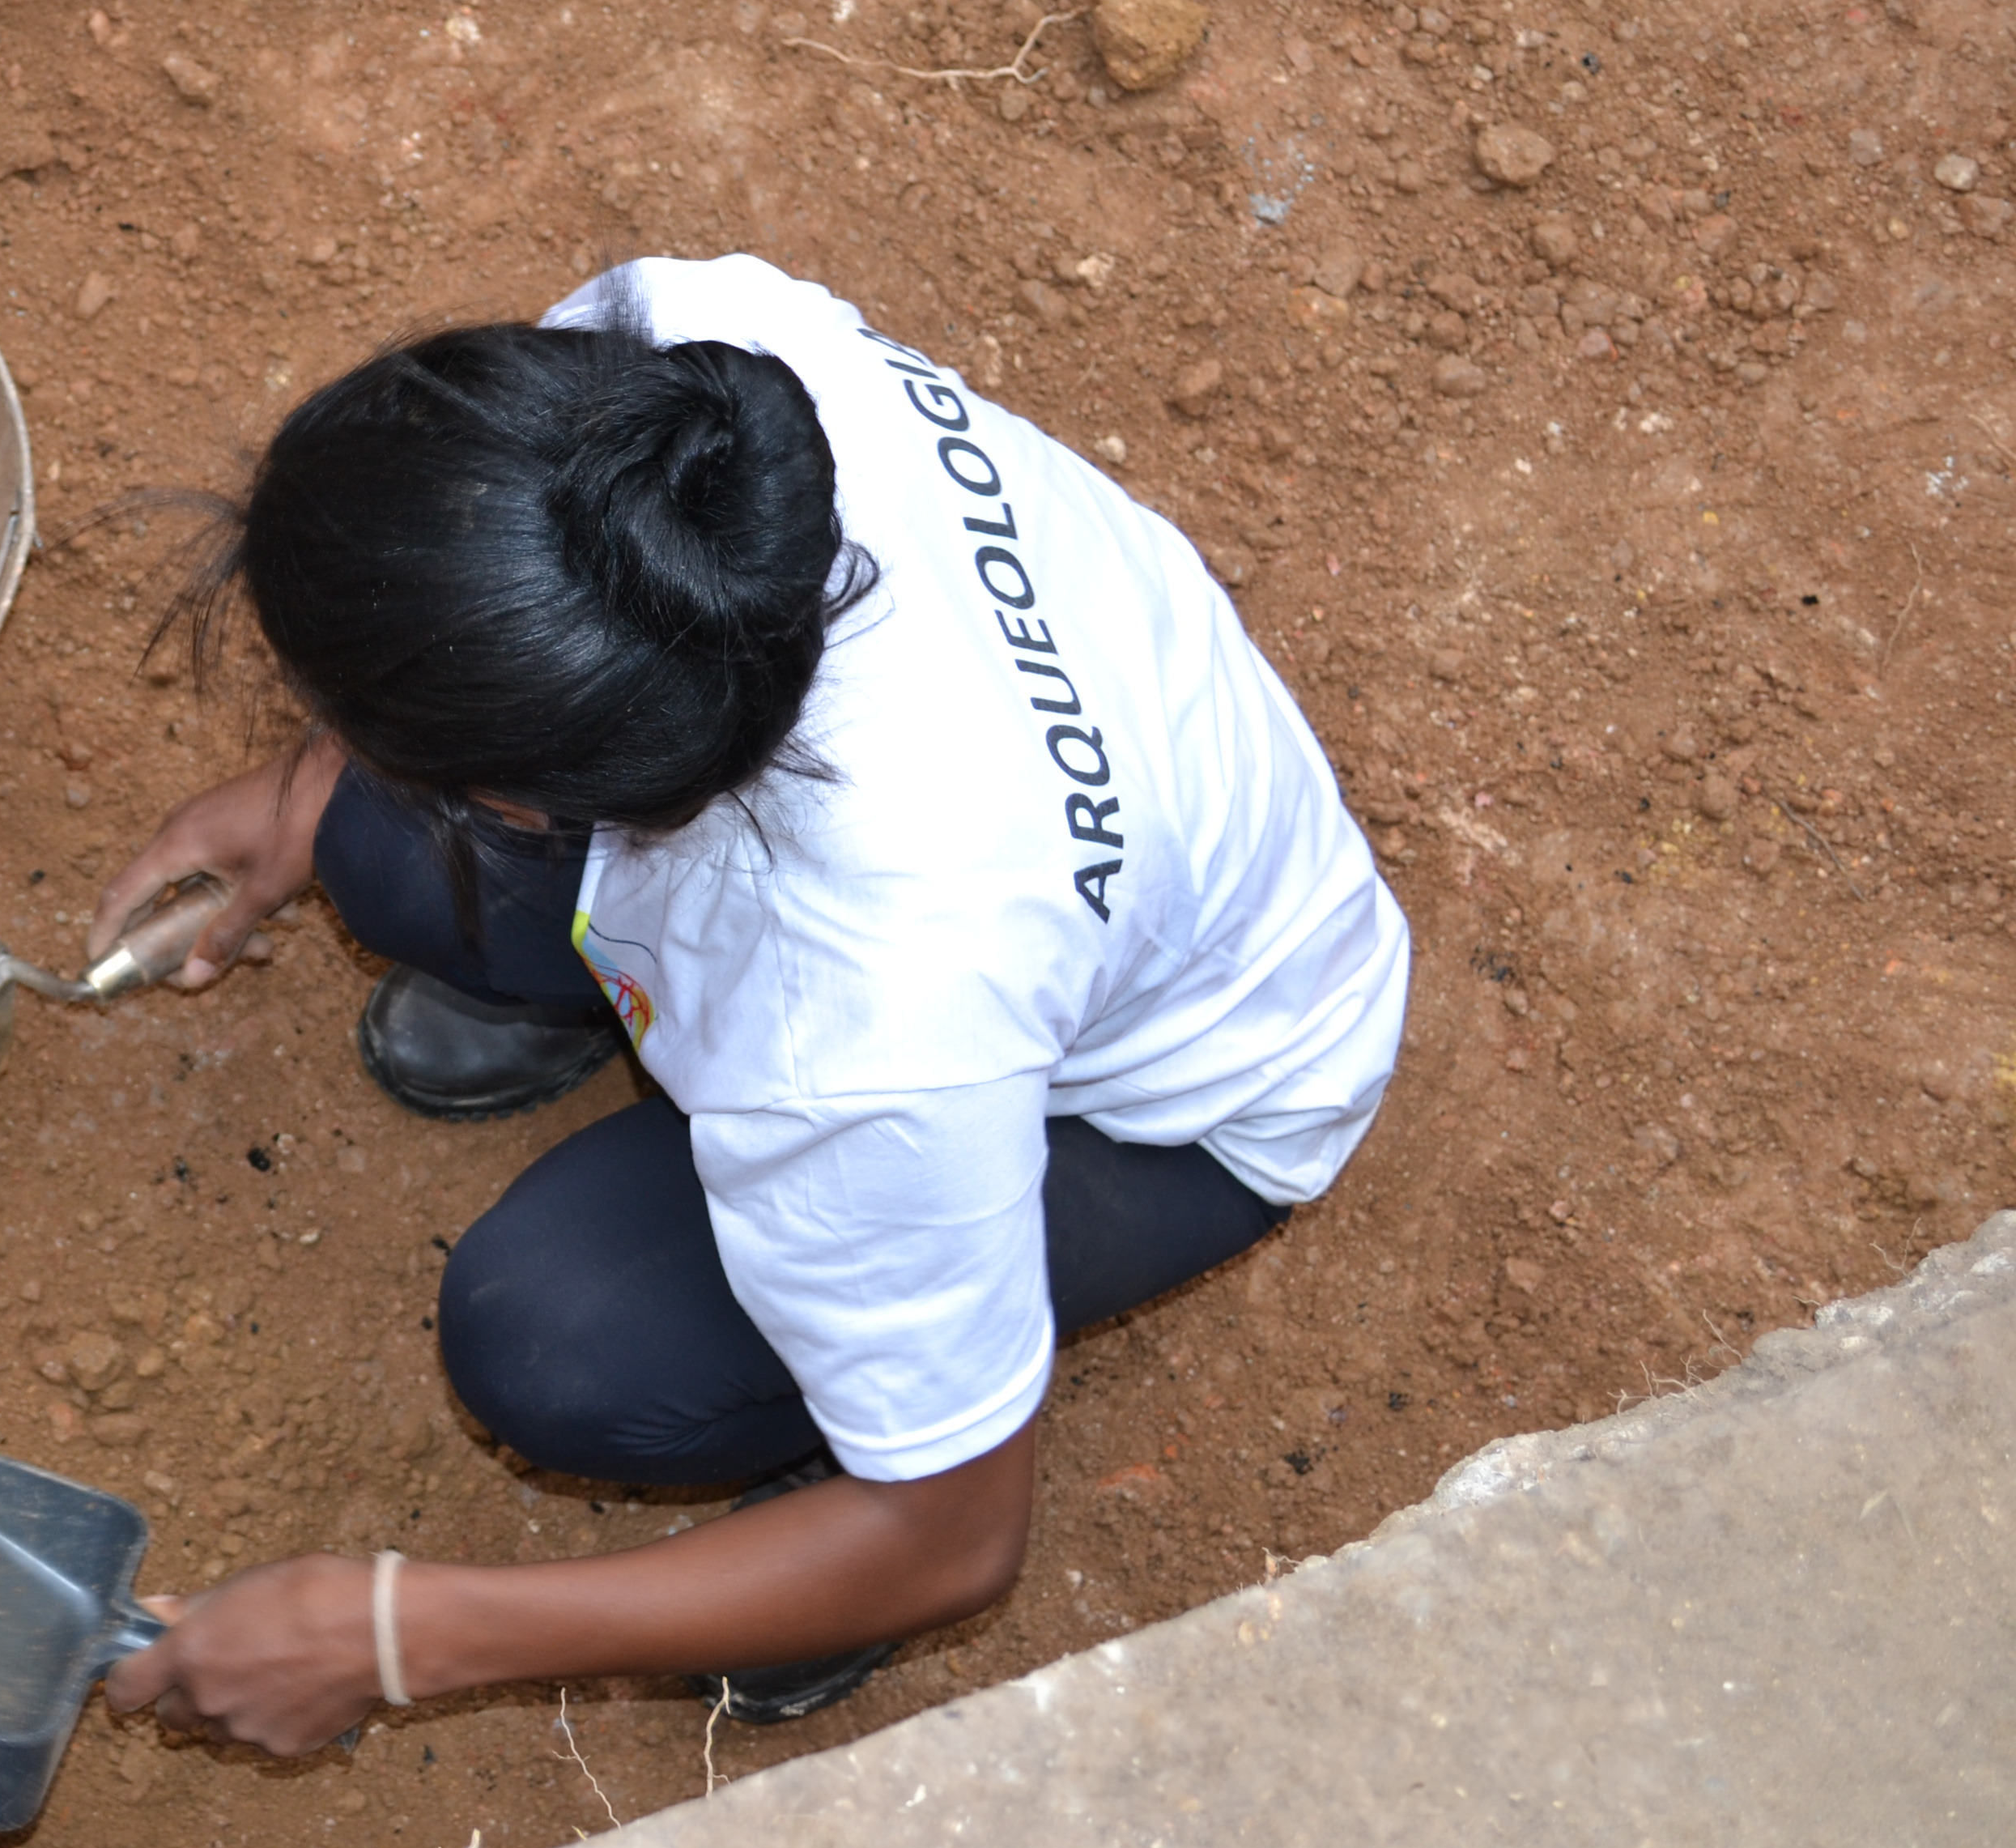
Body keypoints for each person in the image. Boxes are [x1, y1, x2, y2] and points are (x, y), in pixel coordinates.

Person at [91, 252, 1409, 1753]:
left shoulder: (861, 1036)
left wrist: (392, 1634)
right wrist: (300, 793)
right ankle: (571, 962)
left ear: (532, 788)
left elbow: (958, 1538)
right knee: (384, 844)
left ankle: (816, 1514)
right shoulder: (694, 354)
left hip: (1179, 1093)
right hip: (1069, 841)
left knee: (560, 1338)